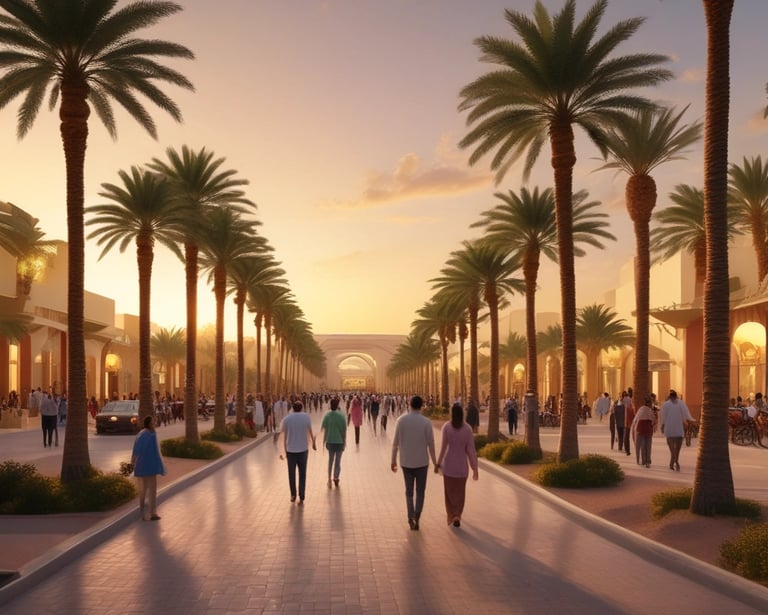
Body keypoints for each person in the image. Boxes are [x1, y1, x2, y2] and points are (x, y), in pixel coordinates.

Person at [390, 395, 438, 531]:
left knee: (409, 491)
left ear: (409, 405)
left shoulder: (401, 421)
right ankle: (417, 516)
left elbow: (395, 444)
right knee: (421, 491)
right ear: (421, 406)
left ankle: (410, 517)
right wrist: (435, 462)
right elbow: (431, 444)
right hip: (422, 462)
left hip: (406, 462)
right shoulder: (426, 422)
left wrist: (393, 461)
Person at [436, 403, 479, 528]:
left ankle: (451, 515)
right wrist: (474, 468)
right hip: (462, 468)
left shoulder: (446, 427)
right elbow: (471, 450)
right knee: (460, 493)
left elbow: (443, 448)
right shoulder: (467, 429)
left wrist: (438, 463)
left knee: (449, 494)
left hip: (448, 467)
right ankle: (457, 515)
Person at [281, 400, 316, 504]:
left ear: (293, 407)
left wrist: (285, 450)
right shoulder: (306, 417)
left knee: (291, 474)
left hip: (290, 450)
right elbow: (310, 430)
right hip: (303, 450)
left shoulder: (287, 419)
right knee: (302, 473)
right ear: (301, 408)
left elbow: (285, 435)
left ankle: (293, 494)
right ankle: (302, 494)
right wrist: (313, 443)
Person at [131, 415, 166, 521]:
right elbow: (137, 450)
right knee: (144, 491)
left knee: (150, 491)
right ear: (148, 423)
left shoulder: (151, 434)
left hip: (150, 467)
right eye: (153, 422)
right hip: (144, 466)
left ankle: (152, 513)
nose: (154, 423)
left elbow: (156, 451)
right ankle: (145, 513)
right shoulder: (144, 434)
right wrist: (133, 462)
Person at [659, 389, 694, 472]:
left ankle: (672, 463)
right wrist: (689, 420)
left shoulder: (665, 405)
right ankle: (676, 462)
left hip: (670, 429)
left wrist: (662, 426)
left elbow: (663, 417)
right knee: (677, 449)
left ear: (669, 396)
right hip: (678, 429)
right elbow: (686, 414)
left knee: (672, 450)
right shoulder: (681, 403)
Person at [321, 397, 347, 488]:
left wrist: (323, 441)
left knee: (330, 461)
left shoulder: (327, 416)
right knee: (338, 461)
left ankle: (329, 479)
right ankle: (336, 477)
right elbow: (344, 431)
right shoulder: (341, 416)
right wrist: (344, 442)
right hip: (339, 442)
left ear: (330, 405)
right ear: (337, 405)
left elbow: (325, 429)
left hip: (330, 441)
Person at [631, 395, 655, 467]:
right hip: (648, 430)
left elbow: (635, 420)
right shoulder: (650, 410)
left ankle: (643, 461)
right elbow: (653, 420)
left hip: (640, 430)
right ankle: (647, 461)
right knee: (648, 446)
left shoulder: (641, 409)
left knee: (642, 445)